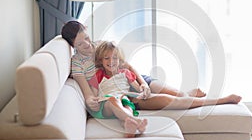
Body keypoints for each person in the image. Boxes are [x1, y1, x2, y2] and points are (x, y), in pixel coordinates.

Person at [61, 21, 242, 113]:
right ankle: (219, 99)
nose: (87, 44)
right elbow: (87, 91)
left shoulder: (100, 44)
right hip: (126, 90)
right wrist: (91, 100)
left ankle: (188, 92)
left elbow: (128, 66)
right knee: (177, 100)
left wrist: (144, 84)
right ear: (72, 46)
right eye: (81, 43)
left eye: (86, 37)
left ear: (86, 28)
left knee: (179, 94)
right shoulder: (77, 63)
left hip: (135, 79)